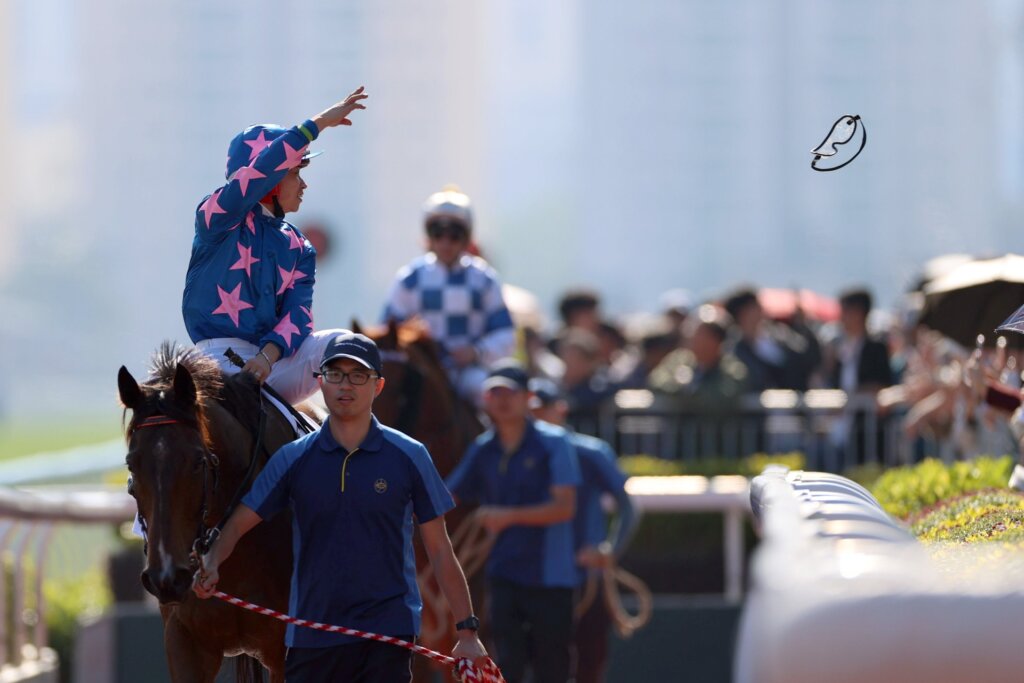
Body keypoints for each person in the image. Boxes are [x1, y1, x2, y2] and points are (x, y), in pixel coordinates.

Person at [193, 332, 488, 682]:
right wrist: (211, 562)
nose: (345, 385)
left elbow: (440, 552)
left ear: (377, 386)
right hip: (310, 635)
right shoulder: (293, 458)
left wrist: (467, 634)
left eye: (358, 375)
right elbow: (240, 523)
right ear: (320, 383)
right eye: (335, 374)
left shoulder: (410, 455)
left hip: (386, 637)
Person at [182, 87, 368, 405]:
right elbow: (261, 170)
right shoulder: (217, 216)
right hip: (214, 364)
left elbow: (299, 316)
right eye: (297, 173)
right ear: (271, 181)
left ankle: (345, 447)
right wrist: (319, 123)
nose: (304, 184)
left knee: (348, 345)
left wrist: (266, 359)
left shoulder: (299, 246)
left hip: (272, 365)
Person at [445, 361, 580, 683]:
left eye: (511, 392)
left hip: (552, 579)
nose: (503, 400)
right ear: (486, 400)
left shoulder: (554, 442)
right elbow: (446, 497)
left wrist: (507, 517)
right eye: (495, 393)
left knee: (553, 669)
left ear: (528, 397)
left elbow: (564, 508)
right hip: (504, 575)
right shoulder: (483, 449)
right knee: (507, 666)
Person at [528, 378, 638, 683]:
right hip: (534, 578)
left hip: (586, 576)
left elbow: (628, 506)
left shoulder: (590, 452)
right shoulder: (512, 454)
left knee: (589, 666)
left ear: (559, 410)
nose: (534, 418)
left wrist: (610, 550)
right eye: (529, 411)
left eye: (540, 410)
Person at [382, 185, 516, 404]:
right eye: (438, 233)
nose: (445, 242)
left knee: (487, 395)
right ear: (429, 236)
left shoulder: (484, 278)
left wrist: (475, 352)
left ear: (466, 238)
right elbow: (388, 333)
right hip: (422, 371)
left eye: (454, 235)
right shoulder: (409, 278)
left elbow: (506, 334)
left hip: (469, 372)